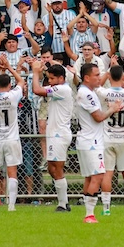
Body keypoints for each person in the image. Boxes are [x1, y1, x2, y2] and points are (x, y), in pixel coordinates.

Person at [75, 62, 124, 223]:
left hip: (87, 140)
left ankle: (88, 213)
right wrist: (112, 109)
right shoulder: (87, 94)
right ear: (87, 78)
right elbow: (98, 117)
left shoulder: (88, 91)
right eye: (96, 75)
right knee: (98, 175)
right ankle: (89, 214)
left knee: (90, 177)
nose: (99, 78)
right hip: (91, 142)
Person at [30, 60, 74, 212]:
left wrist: (35, 72)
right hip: (54, 133)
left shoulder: (63, 89)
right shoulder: (59, 88)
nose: (49, 81)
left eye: (52, 78)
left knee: (57, 168)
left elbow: (36, 90)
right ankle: (63, 201)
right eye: (49, 78)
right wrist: (41, 69)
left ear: (61, 78)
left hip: (59, 134)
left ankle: (63, 203)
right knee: (51, 168)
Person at [0, 56, 25, 212]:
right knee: (12, 171)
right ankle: (11, 206)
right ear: (9, 85)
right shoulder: (13, 95)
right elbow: (21, 81)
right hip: (12, 138)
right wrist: (9, 67)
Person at [96, 66, 124, 216]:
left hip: (108, 138)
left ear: (109, 77)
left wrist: (107, 72)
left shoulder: (104, 93)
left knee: (107, 173)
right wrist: (123, 74)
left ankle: (106, 208)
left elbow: (97, 85)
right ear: (122, 77)